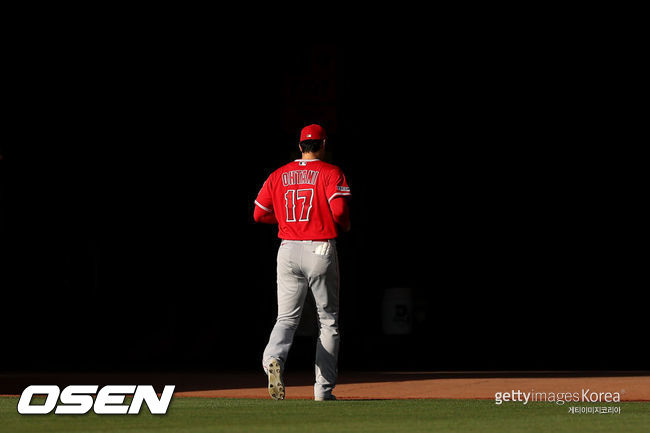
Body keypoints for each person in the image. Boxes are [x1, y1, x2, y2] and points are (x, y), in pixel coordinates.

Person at [253, 124, 351, 401]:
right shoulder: (331, 172)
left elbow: (259, 215)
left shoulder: (278, 174)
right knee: (328, 321)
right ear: (323, 144)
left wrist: (284, 220)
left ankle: (273, 358)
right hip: (319, 247)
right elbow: (340, 209)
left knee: (286, 318)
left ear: (300, 146)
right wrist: (344, 224)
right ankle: (323, 390)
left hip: (287, 249)